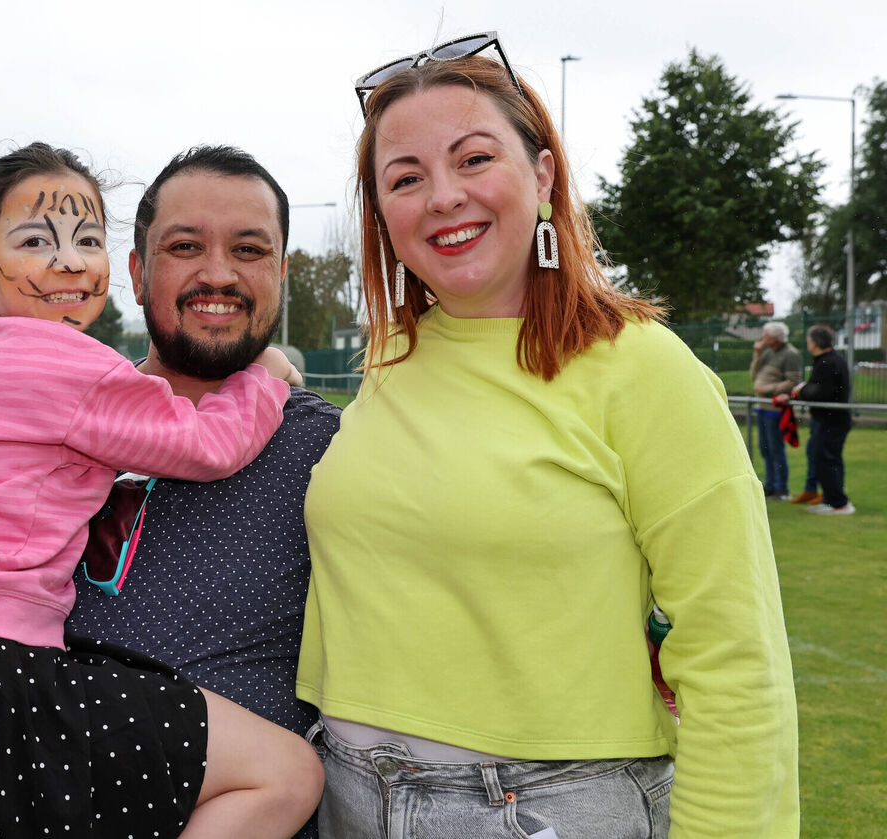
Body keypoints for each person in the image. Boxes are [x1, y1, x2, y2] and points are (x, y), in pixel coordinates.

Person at [297, 34, 798, 838]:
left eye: (472, 159)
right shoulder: (390, 359)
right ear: (382, 214)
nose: (442, 196)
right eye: (405, 177)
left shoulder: (643, 368)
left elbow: (738, 661)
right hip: (345, 795)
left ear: (542, 174)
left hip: (545, 812)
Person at [0, 145, 340, 839]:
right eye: (186, 245)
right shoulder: (78, 384)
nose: (218, 271)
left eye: (248, 249)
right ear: (136, 270)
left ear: (281, 270)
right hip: (2, 715)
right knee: (285, 773)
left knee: (288, 772)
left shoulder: (329, 448)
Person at [791, 324, 854, 515]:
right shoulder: (829, 360)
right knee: (823, 457)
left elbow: (821, 392)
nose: (808, 344)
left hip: (831, 421)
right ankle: (830, 499)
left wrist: (801, 390)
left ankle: (838, 503)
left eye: (809, 340)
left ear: (816, 342)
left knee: (827, 459)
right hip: (828, 420)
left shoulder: (828, 362)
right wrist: (806, 388)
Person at [750, 321, 802, 500]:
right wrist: (757, 354)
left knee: (775, 449)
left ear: (775, 338)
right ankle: (770, 486)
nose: (763, 339)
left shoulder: (791, 354)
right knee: (765, 449)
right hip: (762, 409)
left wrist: (769, 389)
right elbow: (753, 375)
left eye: (766, 336)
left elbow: (793, 382)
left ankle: (782, 489)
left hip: (775, 409)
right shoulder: (767, 352)